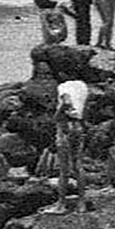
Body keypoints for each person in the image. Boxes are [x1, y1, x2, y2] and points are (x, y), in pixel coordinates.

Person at [46, 75, 89, 213]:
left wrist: (57, 114)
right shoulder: (82, 86)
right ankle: (81, 203)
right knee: (78, 166)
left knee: (64, 169)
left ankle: (61, 204)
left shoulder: (63, 87)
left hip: (65, 130)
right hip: (78, 128)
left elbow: (66, 102)